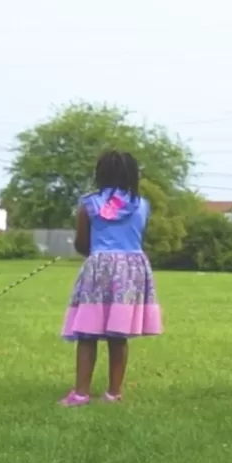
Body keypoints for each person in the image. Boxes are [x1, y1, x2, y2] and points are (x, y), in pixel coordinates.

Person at [58, 149, 162, 407]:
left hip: (99, 268)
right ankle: (113, 393)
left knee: (87, 333)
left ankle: (81, 393)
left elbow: (83, 244)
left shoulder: (89, 204)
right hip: (132, 269)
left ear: (100, 174)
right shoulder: (142, 205)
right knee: (119, 333)